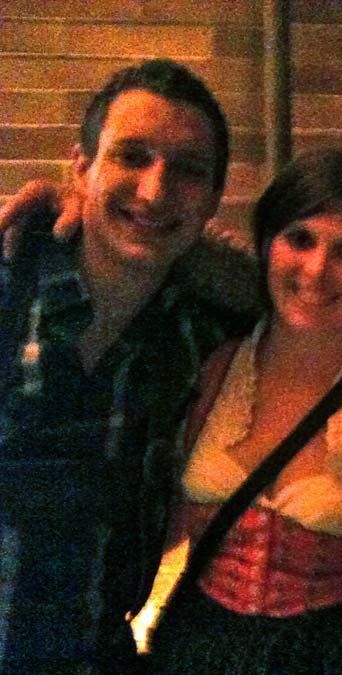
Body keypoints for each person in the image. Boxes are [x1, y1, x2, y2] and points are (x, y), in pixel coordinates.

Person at [0, 59, 250, 672]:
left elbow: (313, 301)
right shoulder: (10, 285)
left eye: (188, 171)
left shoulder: (205, 334)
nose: (155, 190)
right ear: (82, 167)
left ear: (213, 199)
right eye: (131, 157)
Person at [148, 148, 342, 674]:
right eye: (300, 239)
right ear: (266, 243)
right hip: (199, 650)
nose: (317, 270)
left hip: (336, 660)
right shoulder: (209, 367)